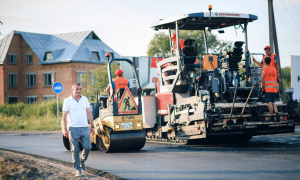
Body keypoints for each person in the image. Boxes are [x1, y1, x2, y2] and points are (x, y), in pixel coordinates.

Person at [62, 82, 95, 177]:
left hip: (85, 127)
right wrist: (65, 129)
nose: (79, 91)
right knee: (75, 150)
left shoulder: (84, 99)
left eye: (80, 89)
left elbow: (89, 113)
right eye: (77, 89)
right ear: (72, 90)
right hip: (73, 128)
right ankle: (78, 169)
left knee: (88, 147)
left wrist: (92, 126)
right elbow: (64, 116)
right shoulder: (67, 101)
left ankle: (82, 160)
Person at [261, 57, 281, 122]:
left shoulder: (265, 68)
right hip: (274, 88)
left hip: (268, 88)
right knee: (273, 102)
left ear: (264, 61)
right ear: (270, 61)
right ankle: (277, 115)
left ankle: (272, 117)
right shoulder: (274, 69)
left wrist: (262, 84)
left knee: (269, 103)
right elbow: (277, 78)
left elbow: (262, 76)